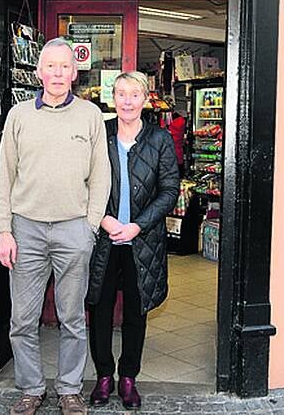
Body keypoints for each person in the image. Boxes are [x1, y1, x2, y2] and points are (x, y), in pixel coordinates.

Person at [0, 37, 111, 415]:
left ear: (74, 73)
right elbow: (5, 176)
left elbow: (101, 176)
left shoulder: (90, 115)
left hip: (73, 230)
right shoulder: (19, 115)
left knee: (72, 317)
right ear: (39, 72)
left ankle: (69, 390)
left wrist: (90, 227)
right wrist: (4, 230)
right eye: (50, 66)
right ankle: (31, 388)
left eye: (64, 67)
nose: (57, 73)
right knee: (22, 319)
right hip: (25, 229)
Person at [86, 71, 180, 409]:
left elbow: (169, 190)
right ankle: (103, 377)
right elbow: (82, 182)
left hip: (142, 241)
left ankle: (128, 379)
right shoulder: (100, 133)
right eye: (121, 93)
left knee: (135, 314)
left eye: (134, 94)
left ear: (145, 99)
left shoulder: (160, 139)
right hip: (104, 240)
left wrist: (138, 225)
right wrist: (103, 219)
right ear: (113, 98)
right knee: (99, 308)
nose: (127, 101)